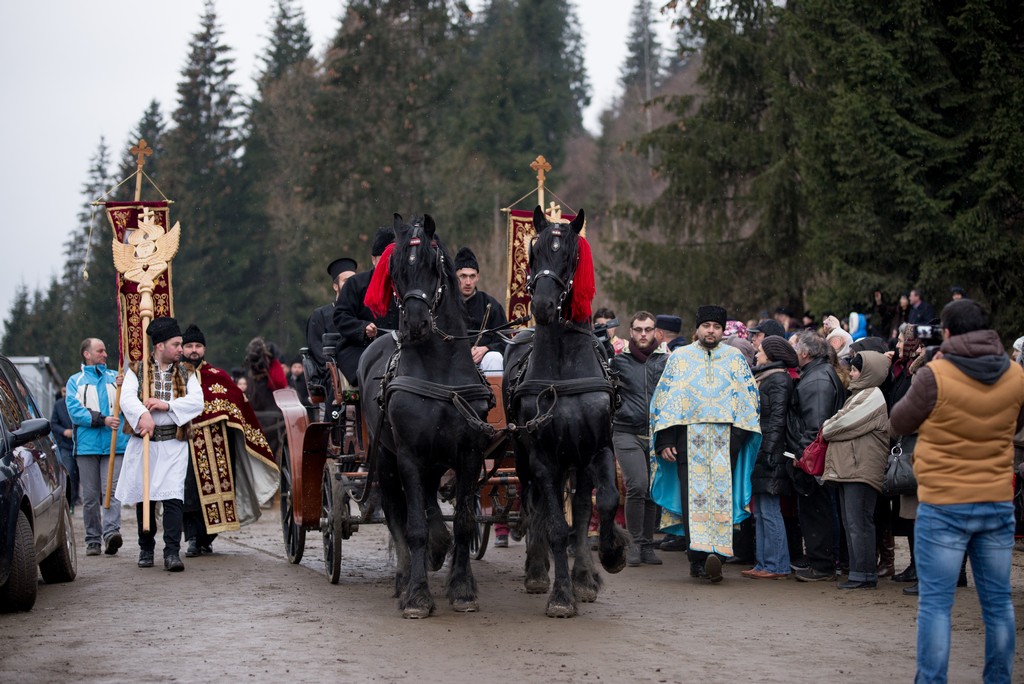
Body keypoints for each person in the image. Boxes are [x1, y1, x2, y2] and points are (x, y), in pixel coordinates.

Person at [890, 299, 1024, 682]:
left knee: (936, 605)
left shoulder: (936, 375)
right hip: (996, 500)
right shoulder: (1016, 375)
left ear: (946, 333)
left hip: (945, 501)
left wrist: (923, 367)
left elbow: (897, 420)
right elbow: (1017, 421)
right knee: (998, 605)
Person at [649, 305, 762, 582]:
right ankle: (697, 559)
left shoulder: (735, 358)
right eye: (706, 326)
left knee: (723, 500)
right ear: (697, 329)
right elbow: (665, 400)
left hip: (727, 442)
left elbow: (748, 401)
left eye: (716, 327)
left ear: (723, 330)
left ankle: (718, 557)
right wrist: (665, 439)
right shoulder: (680, 358)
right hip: (688, 440)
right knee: (693, 502)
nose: (711, 331)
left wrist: (736, 440)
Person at [180, 324, 279, 558]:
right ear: (182, 349)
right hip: (186, 445)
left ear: (204, 349)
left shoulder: (218, 376)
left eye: (198, 346)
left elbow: (239, 405)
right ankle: (193, 539)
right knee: (190, 492)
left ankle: (207, 538)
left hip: (218, 445)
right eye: (189, 346)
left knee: (221, 491)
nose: (194, 350)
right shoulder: (174, 378)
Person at [115, 317, 204, 572]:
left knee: (174, 498)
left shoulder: (187, 372)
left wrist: (168, 405)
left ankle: (172, 552)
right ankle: (145, 548)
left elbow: (198, 402)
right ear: (160, 345)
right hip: (145, 443)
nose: (181, 349)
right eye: (176, 344)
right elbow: (127, 399)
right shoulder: (136, 369)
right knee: (146, 498)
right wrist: (142, 415)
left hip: (173, 444)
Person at [821, 351, 890, 589]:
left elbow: (837, 425)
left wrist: (829, 426)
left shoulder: (873, 396)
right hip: (851, 468)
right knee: (854, 522)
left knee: (859, 522)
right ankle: (861, 573)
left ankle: (863, 575)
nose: (851, 373)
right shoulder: (860, 395)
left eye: (856, 369)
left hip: (860, 470)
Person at [786, 330, 846, 582]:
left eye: (795, 348)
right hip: (813, 457)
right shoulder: (817, 375)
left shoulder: (817, 380)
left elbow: (816, 426)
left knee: (817, 511)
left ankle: (822, 566)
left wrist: (801, 455)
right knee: (815, 511)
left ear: (804, 353)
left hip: (813, 460)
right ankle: (819, 561)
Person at [610, 311, 668, 566]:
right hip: (626, 431)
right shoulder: (618, 362)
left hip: (657, 434)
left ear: (655, 331)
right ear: (631, 332)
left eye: (648, 329)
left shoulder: (666, 362)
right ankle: (633, 544)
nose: (643, 334)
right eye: (638, 330)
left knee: (652, 491)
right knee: (637, 485)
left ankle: (647, 546)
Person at [65, 338, 131, 557]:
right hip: (87, 447)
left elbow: (129, 402)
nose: (104, 354)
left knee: (112, 492)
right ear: (87, 354)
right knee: (91, 496)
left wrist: (128, 386)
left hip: (116, 445)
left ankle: (111, 533)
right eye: (100, 351)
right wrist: (102, 420)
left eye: (105, 350)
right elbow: (75, 411)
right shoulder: (76, 381)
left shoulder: (117, 379)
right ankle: (92, 538)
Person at [743, 336, 798, 579]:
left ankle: (777, 565)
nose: (757, 353)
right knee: (761, 510)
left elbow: (777, 419)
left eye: (761, 350)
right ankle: (764, 562)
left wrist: (768, 450)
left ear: (772, 355)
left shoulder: (778, 380)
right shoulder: (768, 377)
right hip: (762, 449)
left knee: (769, 510)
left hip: (770, 452)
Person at [332, 226, 400, 385]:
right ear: (373, 260)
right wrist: (363, 329)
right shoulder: (356, 284)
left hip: (399, 349)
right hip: (360, 348)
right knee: (374, 376)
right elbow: (341, 316)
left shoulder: (404, 286)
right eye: (384, 259)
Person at [305, 257, 357, 401]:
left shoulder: (362, 313)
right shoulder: (320, 316)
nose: (351, 284)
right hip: (333, 372)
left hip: (360, 367)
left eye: (354, 280)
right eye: (346, 281)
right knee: (334, 379)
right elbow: (317, 352)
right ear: (336, 286)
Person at [454, 246, 508, 376]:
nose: (468, 282)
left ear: (477, 277)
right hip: (452, 360)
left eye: (472, 276)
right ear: (455, 277)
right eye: (463, 276)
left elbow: (505, 341)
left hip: (483, 361)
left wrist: (486, 349)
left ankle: (495, 397)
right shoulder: (445, 304)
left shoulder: (491, 305)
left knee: (495, 358)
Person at [49, 387, 78, 512]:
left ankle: (75, 499)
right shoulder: (58, 405)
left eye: (68, 390)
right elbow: (53, 423)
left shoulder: (80, 403)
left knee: (79, 474)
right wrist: (64, 431)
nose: (66, 393)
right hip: (65, 445)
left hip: (80, 444)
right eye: (64, 391)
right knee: (69, 472)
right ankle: (69, 503)